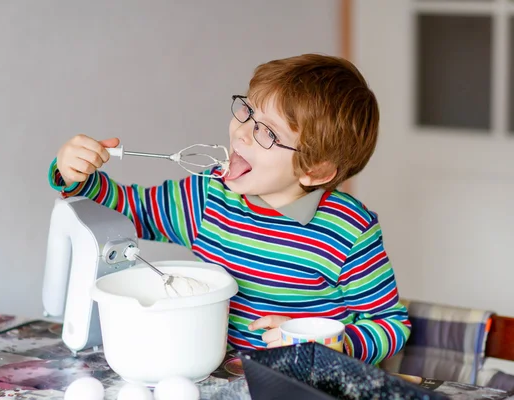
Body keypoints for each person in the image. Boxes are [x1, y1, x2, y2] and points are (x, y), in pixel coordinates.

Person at [48, 53, 410, 365]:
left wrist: (332, 343)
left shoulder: (348, 230)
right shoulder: (209, 196)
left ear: (315, 170)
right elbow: (128, 211)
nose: (242, 133)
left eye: (268, 133)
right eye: (248, 111)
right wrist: (76, 174)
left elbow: (391, 324)